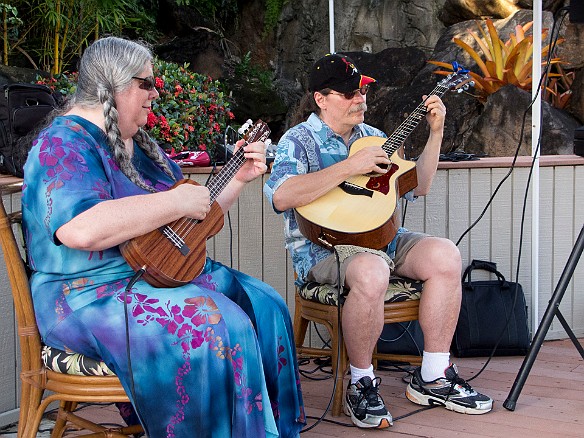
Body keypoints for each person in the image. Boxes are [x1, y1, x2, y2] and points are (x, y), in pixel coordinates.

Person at [22, 36, 304, 438]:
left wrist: (238, 178)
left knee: (266, 304)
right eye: (146, 84)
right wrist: (175, 204)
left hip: (153, 274)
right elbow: (81, 229)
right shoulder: (62, 144)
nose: (156, 93)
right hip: (86, 296)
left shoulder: (134, 145)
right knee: (216, 323)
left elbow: (190, 215)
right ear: (112, 85)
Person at [264, 53, 493, 429]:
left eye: (362, 91)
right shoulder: (297, 141)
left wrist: (435, 133)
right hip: (325, 248)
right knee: (371, 272)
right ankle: (362, 382)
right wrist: (349, 168)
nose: (360, 99)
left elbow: (419, 186)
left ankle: (433, 376)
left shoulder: (376, 138)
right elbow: (281, 196)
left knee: (446, 256)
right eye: (349, 93)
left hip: (383, 237)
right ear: (321, 99)